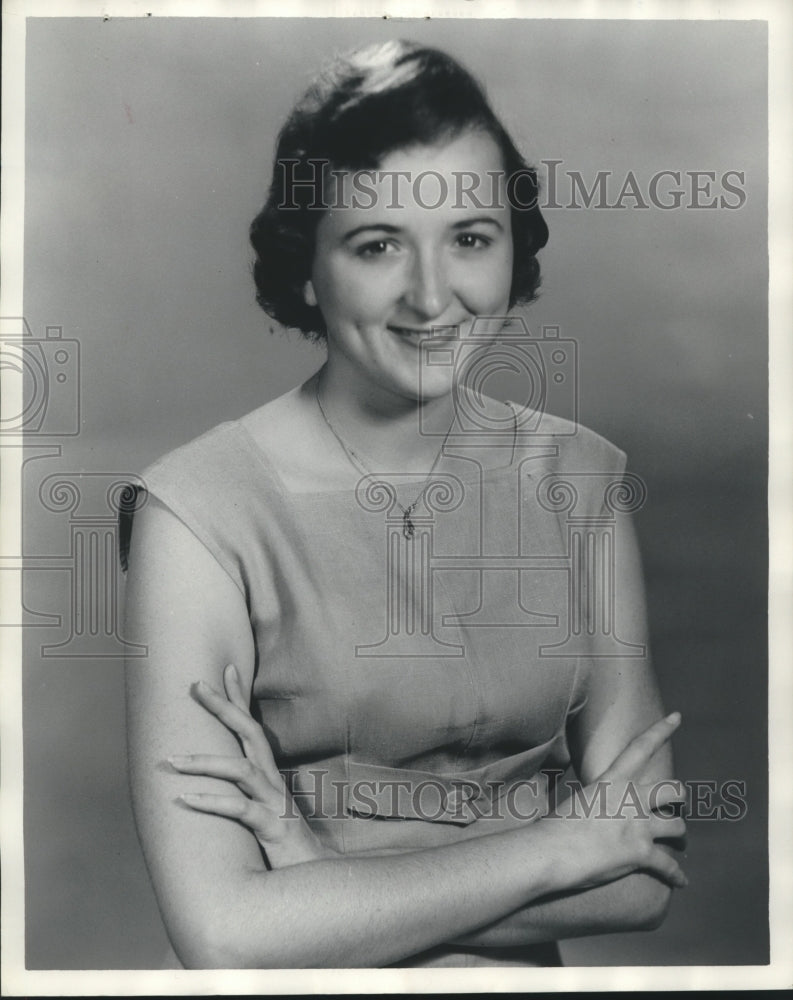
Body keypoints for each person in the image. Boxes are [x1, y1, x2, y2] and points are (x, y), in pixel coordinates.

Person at [122, 39, 686, 970]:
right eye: (377, 244)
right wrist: (559, 846)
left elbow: (642, 877)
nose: (432, 296)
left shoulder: (578, 478)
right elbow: (224, 935)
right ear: (307, 267)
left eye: (469, 238)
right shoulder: (194, 513)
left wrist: (314, 872)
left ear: (512, 250)